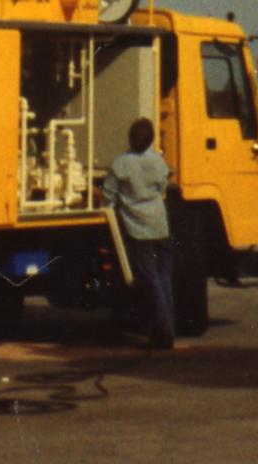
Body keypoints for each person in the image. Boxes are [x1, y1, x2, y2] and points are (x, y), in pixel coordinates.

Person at [107, 116, 176, 349]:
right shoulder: (158, 161)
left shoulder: (120, 164)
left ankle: (164, 332)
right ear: (151, 139)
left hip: (138, 229)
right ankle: (168, 326)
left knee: (150, 280)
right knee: (164, 278)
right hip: (160, 225)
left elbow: (108, 195)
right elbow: (163, 186)